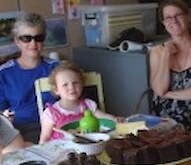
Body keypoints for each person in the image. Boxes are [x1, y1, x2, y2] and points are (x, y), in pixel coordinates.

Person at [149, 0, 191, 137]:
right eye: (168, 17)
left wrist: (169, 95)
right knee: (146, 133)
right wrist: (166, 55)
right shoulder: (157, 52)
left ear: (188, 16)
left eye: (178, 15)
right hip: (163, 113)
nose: (173, 20)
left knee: (174, 131)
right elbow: (160, 89)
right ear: (163, 22)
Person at [0, 12, 59, 144]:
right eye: (27, 38)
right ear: (17, 41)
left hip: (56, 127)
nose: (33, 43)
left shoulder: (57, 69)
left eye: (38, 38)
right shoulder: (4, 73)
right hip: (21, 132)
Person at [39, 61, 120, 143]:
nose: (71, 87)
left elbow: (103, 118)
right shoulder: (51, 113)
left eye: (75, 83)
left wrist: (115, 119)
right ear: (56, 90)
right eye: (65, 85)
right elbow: (44, 140)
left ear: (82, 85)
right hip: (62, 151)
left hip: (88, 145)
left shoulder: (88, 105)